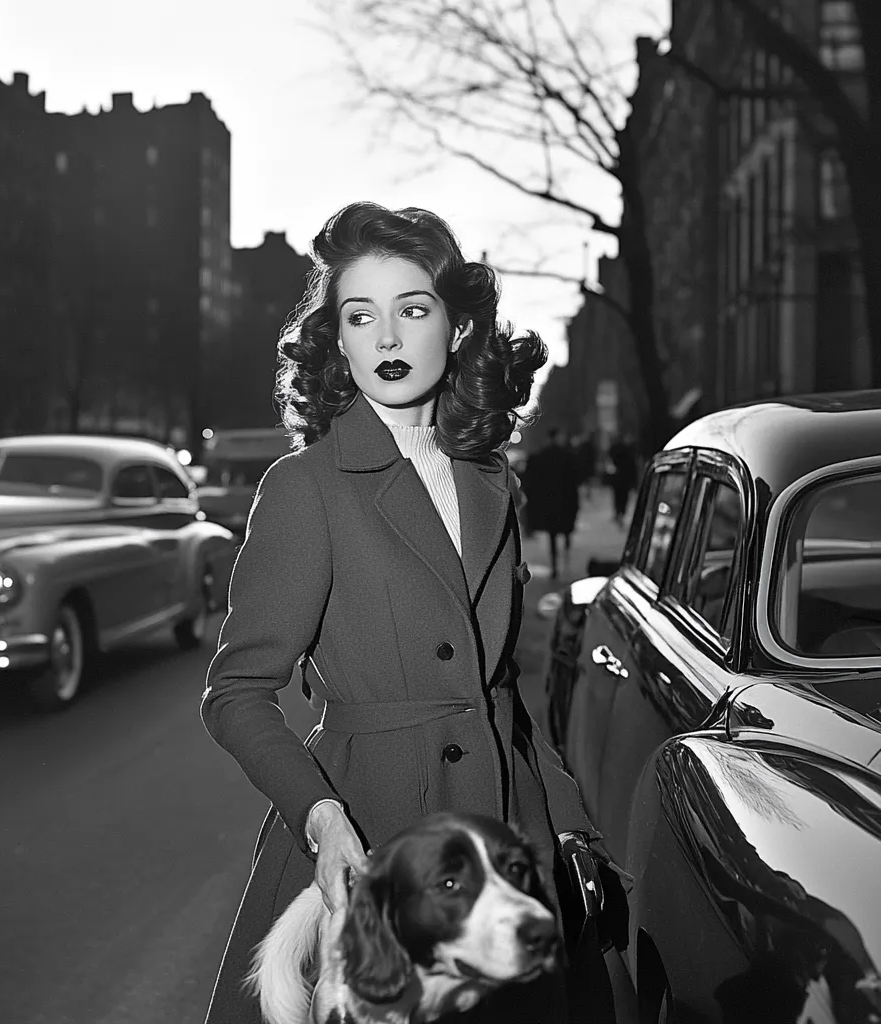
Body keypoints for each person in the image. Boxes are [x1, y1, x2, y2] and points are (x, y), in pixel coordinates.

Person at [200, 202, 628, 1023]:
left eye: (413, 309)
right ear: (340, 338)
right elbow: (236, 693)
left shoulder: (491, 480)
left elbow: (501, 697)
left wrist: (569, 826)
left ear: (458, 326)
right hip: (376, 849)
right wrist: (321, 817)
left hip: (506, 848)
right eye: (361, 316)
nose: (387, 338)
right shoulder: (305, 489)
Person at [520, 428, 581, 580]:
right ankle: (566, 553)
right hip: (565, 500)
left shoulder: (542, 456)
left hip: (550, 501)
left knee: (552, 533)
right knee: (566, 529)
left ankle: (555, 564)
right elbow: (576, 478)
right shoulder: (567, 456)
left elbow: (532, 480)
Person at [607, 433, 638, 528]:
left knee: (617, 496)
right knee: (624, 497)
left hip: (617, 478)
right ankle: (621, 513)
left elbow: (610, 464)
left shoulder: (613, 450)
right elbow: (633, 466)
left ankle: (618, 512)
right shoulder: (629, 450)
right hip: (626, 479)